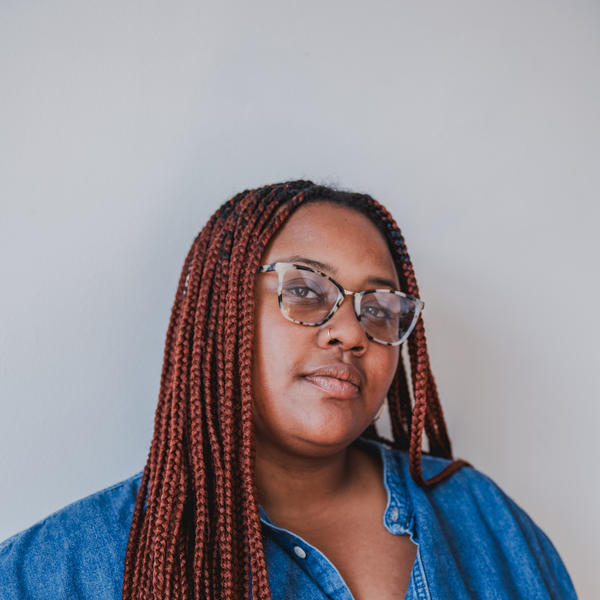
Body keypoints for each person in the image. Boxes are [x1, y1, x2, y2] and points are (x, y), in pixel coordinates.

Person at [0, 181, 576, 599]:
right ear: (221, 314)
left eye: (378, 309)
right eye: (305, 291)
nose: (351, 332)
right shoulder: (62, 568)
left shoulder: (484, 517)